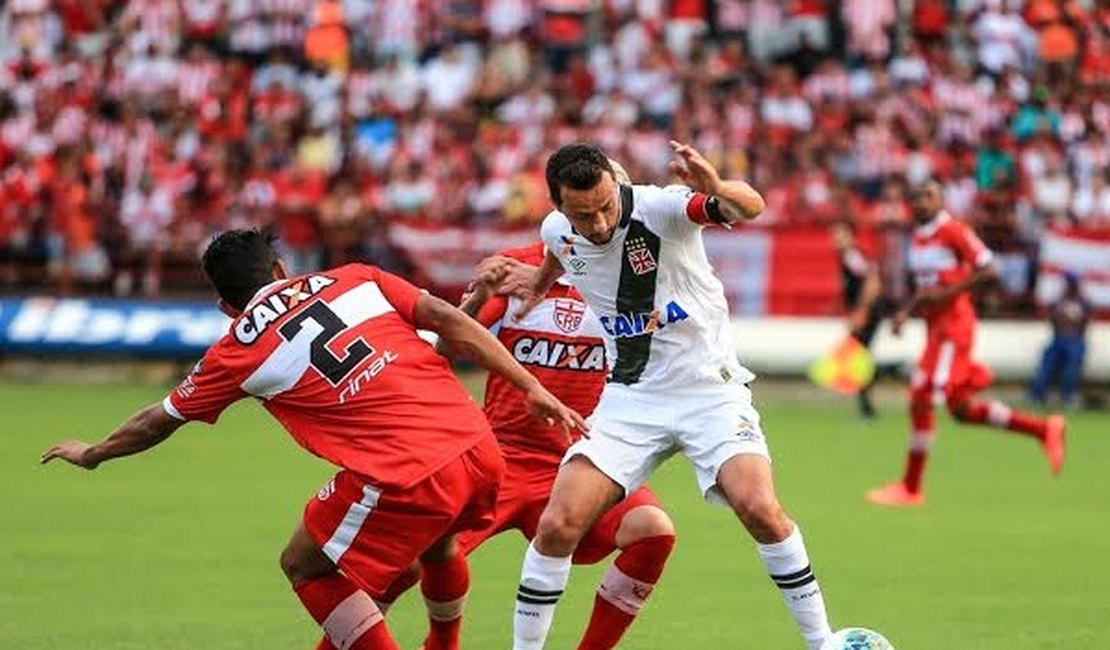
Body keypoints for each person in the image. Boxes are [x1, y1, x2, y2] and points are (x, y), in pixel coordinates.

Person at [40, 229, 585, 650]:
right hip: (478, 446)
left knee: (304, 562)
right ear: (280, 268)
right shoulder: (357, 277)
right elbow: (446, 319)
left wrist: (94, 453)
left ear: (227, 307)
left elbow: (157, 419)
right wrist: (530, 385)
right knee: (438, 543)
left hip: (409, 472)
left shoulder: (235, 349)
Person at [506, 142, 835, 650]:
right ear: (558, 206)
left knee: (760, 508)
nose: (597, 223)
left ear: (617, 189)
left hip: (709, 391)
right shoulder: (558, 229)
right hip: (631, 398)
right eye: (582, 214)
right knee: (557, 524)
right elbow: (559, 248)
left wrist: (718, 186)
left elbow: (750, 207)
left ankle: (822, 641)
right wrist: (542, 279)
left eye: (605, 207)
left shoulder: (661, 208)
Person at [867, 181, 1067, 508]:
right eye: (916, 198)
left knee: (922, 394)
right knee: (960, 410)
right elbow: (929, 287)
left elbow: (990, 271)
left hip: (954, 326)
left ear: (940, 200)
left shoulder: (954, 231)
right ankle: (1043, 429)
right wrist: (905, 313)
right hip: (937, 329)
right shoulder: (919, 237)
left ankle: (910, 487)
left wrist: (944, 296)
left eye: (928, 196)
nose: (921, 202)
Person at [831, 220, 884, 418]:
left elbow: (872, 281)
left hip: (869, 314)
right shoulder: (847, 257)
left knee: (859, 359)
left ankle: (868, 407)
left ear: (851, 236)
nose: (835, 239)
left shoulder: (853, 256)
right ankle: (866, 407)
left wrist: (861, 311)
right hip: (867, 313)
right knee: (860, 358)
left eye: (840, 234)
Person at [1029, 271, 1089, 410]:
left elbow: (1084, 324)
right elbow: (1052, 320)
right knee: (1045, 367)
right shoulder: (1058, 301)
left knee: (1071, 369)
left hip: (1075, 340)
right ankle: (1037, 396)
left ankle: (1067, 398)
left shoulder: (1083, 303)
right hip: (1058, 339)